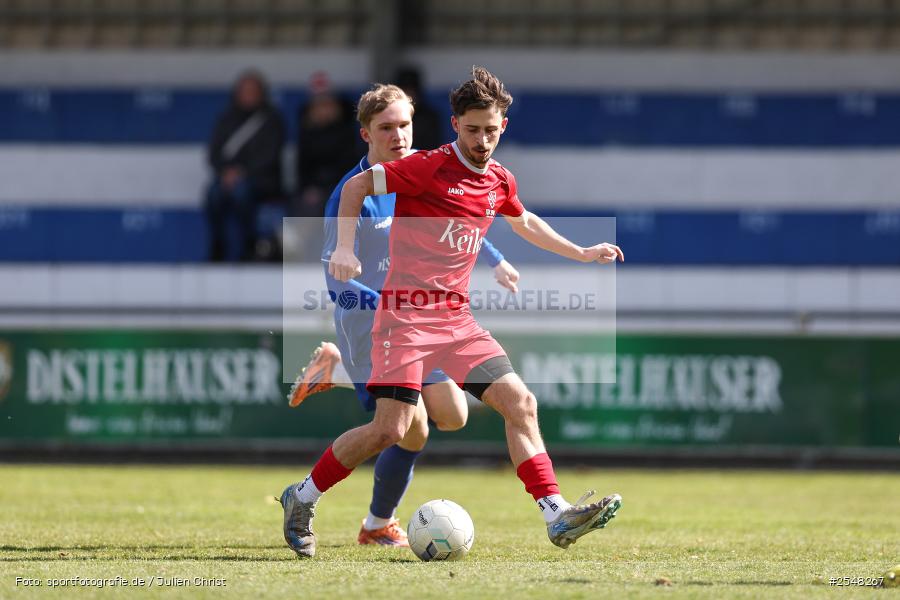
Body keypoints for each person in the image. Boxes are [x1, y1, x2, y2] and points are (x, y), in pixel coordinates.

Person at [281, 67, 624, 559]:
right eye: (472, 129)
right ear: (455, 125)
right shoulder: (424, 168)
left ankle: (556, 513)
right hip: (399, 319)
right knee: (392, 430)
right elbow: (356, 190)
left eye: (491, 129)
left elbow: (519, 218)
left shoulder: (498, 179)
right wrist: (347, 250)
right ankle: (304, 496)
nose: (482, 140)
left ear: (503, 126)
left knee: (517, 403)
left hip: (456, 321)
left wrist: (582, 252)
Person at [284, 83, 520, 547]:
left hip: (417, 320)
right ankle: (374, 524)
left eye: (404, 125)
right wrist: (391, 303)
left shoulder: (421, 173)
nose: (398, 136)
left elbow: (460, 215)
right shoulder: (350, 196)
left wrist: (496, 259)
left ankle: (334, 373)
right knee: (402, 429)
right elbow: (337, 283)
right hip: (370, 325)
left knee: (450, 416)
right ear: (365, 134)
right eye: (386, 127)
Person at [205, 69, 285, 261]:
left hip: (261, 179)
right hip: (228, 177)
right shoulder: (226, 118)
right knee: (213, 194)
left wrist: (243, 172)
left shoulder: (272, 119)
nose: (249, 95)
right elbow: (214, 153)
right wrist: (226, 171)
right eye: (245, 90)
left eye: (253, 90)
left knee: (242, 193)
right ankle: (218, 245)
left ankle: (248, 244)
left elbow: (270, 155)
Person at [294, 71, 361, 218]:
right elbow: (302, 166)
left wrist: (328, 188)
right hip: (313, 188)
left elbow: (349, 164)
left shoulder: (345, 130)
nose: (323, 110)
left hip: (340, 185)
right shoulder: (306, 132)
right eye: (318, 105)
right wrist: (309, 188)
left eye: (326, 104)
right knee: (307, 204)